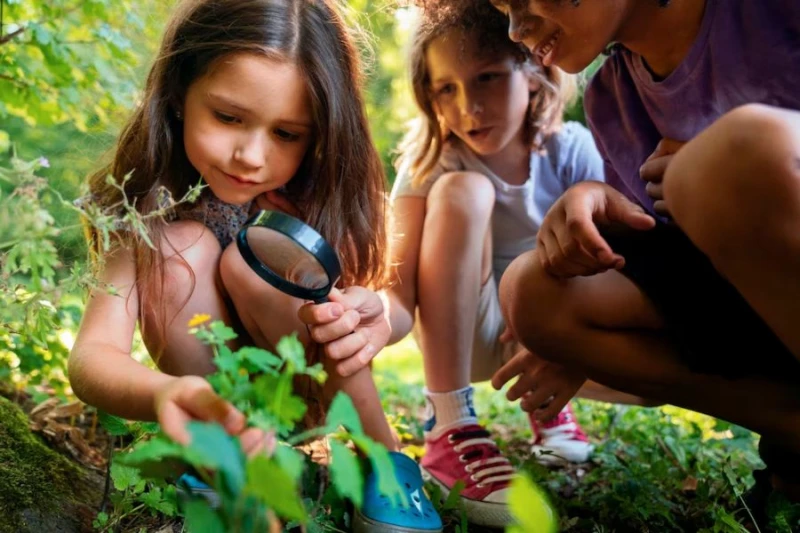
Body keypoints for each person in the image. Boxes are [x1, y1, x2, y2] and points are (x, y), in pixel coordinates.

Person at [67, 1, 442, 531]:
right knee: (180, 248)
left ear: (319, 134)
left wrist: (374, 315)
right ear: (178, 95)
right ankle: (228, 455)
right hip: (220, 403)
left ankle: (381, 458)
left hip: (310, 391)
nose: (251, 155)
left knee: (260, 257)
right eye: (228, 117)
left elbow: (389, 312)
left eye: (286, 134)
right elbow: (92, 355)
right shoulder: (143, 207)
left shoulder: (313, 202)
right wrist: (165, 392)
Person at [299, 1, 633, 526]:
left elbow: (616, 264)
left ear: (534, 70)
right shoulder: (432, 164)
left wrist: (562, 340)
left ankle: (547, 406)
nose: (468, 106)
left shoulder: (573, 153)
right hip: (467, 330)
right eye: (445, 88)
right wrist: (374, 318)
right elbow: (401, 299)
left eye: (488, 78)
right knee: (465, 190)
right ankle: (449, 425)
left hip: (552, 331)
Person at [490, 0, 800, 511]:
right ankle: (796, 426)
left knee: (735, 155)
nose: (517, 26)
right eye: (504, 8)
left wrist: (718, 170)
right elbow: (676, 262)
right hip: (751, 315)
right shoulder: (612, 99)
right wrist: (594, 202)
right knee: (533, 289)